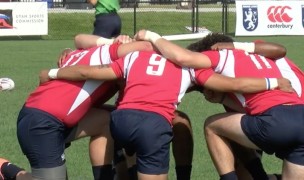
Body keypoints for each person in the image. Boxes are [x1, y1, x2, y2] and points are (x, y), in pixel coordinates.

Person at [39, 33, 292, 180]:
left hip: (125, 120)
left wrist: (54, 71)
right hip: (134, 119)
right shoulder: (133, 52)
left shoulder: (139, 57)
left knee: (181, 121)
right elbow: (80, 39)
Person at [135, 30, 304, 180]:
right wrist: (223, 99)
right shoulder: (262, 52)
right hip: (298, 116)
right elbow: (281, 50)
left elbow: (183, 59)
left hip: (277, 121)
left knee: (213, 126)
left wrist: (151, 37)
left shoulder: (219, 57)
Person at [16, 36, 154, 180]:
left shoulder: (87, 53)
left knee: (108, 120)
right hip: (42, 123)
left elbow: (78, 39)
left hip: (48, 119)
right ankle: (9, 171)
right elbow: (146, 46)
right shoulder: (110, 54)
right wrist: (152, 38)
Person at [73, 33, 194, 180]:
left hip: (146, 118)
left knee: (180, 121)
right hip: (124, 117)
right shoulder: (126, 53)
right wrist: (112, 41)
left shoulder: (168, 61)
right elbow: (79, 39)